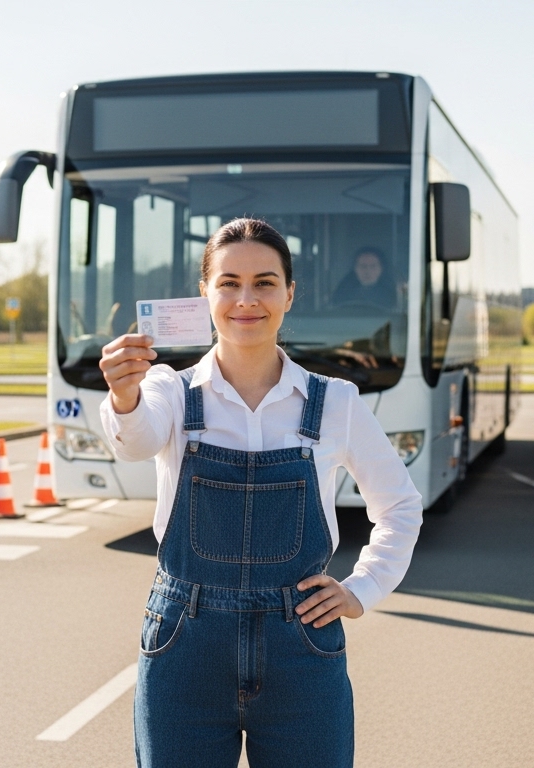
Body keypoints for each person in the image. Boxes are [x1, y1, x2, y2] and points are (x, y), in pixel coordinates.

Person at [99, 218, 423, 767]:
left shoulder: (335, 402)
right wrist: (123, 397)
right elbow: (136, 443)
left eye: (265, 282)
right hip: (185, 645)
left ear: (290, 294)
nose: (246, 299)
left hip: (300, 647)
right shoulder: (167, 391)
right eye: (228, 283)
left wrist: (361, 589)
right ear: (205, 293)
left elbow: (399, 506)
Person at [330, 247, 397, 309]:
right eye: (363, 266)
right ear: (355, 269)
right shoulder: (343, 291)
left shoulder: (393, 292)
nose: (367, 271)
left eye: (373, 266)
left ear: (381, 269)